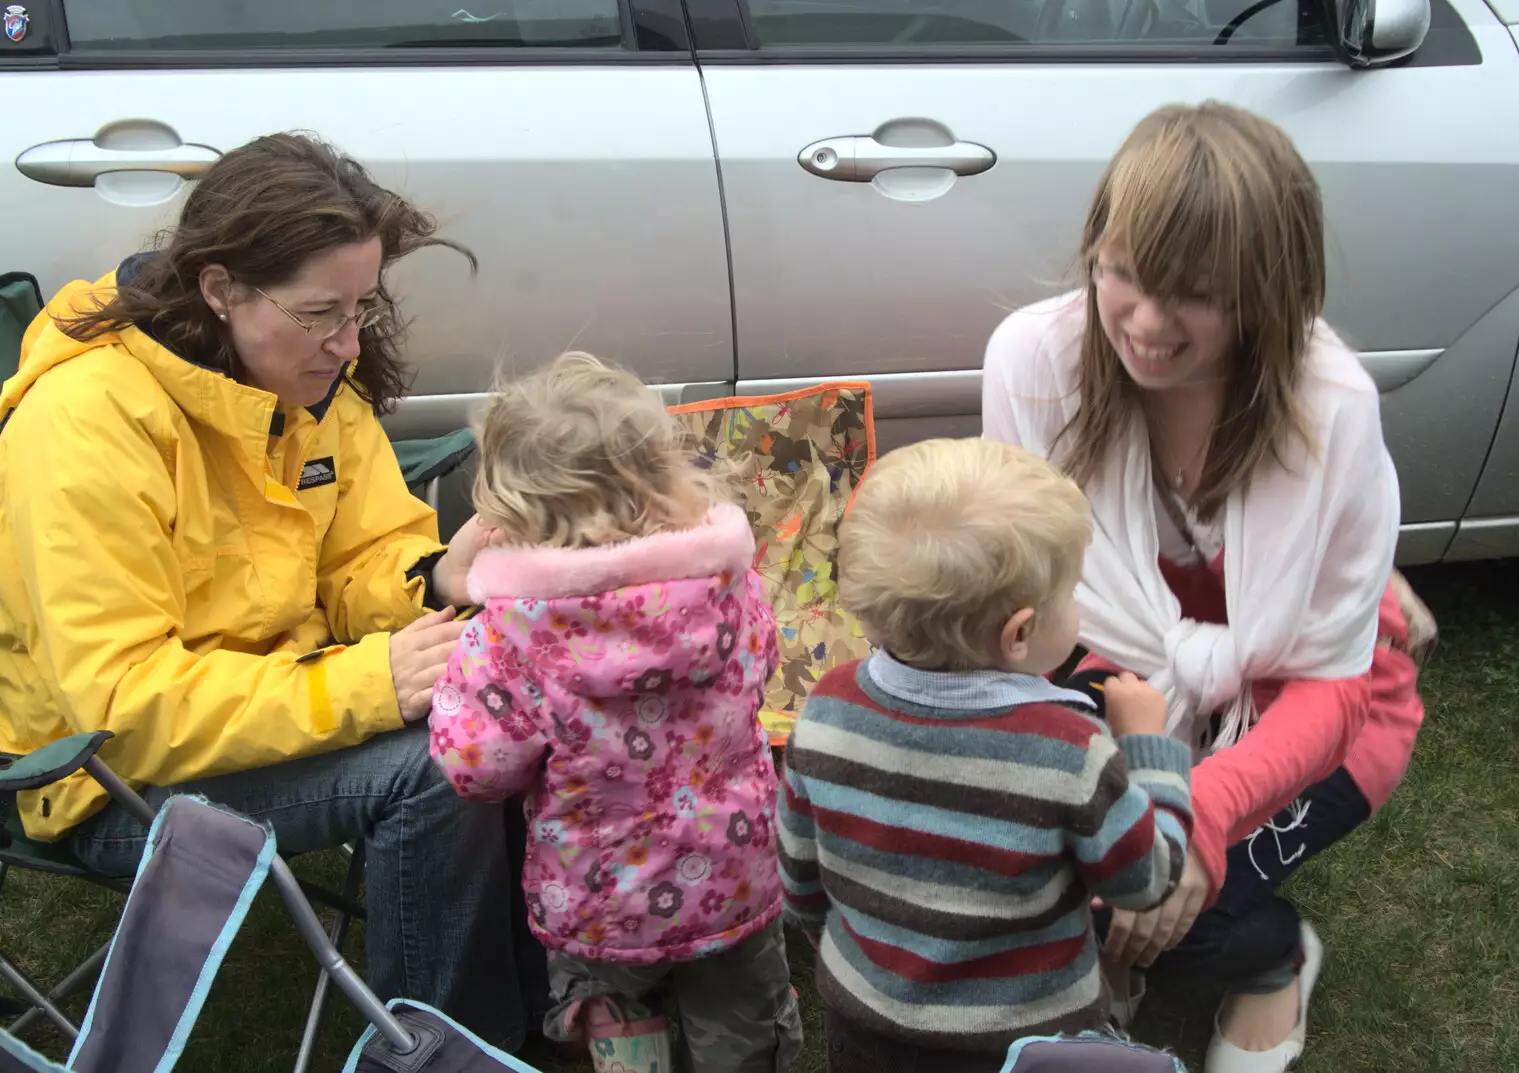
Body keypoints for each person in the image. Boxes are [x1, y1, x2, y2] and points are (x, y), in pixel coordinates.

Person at [0, 134, 526, 1048]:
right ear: (219, 289)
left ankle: (525, 1007)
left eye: (361, 306)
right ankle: (447, 1052)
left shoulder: (305, 378)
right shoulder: (87, 421)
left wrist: (437, 575)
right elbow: (126, 705)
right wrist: (369, 686)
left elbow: (362, 551)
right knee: (439, 762)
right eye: (322, 311)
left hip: (277, 694)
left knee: (518, 686)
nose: (350, 341)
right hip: (109, 778)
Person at [983, 102, 1427, 1073]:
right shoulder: (1033, 361)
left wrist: (1197, 814)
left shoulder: (1332, 409)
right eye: (1121, 272)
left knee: (1164, 903)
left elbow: (1335, 684)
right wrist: (1131, 775)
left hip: (1311, 716)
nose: (1143, 323)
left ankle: (1274, 955)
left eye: (1192, 295)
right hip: (1107, 680)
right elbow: (1031, 598)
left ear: (1268, 294)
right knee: (1067, 881)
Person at [427, 352, 802, 1073]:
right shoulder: (731, 588)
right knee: (743, 1027)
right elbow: (763, 671)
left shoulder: (509, 634)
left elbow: (478, 767)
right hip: (733, 875)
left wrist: (451, 683)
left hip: (599, 898)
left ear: (509, 511)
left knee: (619, 1027)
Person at [777, 437, 1196, 1073]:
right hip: (1026, 1042)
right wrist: (1150, 749)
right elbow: (1144, 882)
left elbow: (800, 873)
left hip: (865, 1025)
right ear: (1020, 632)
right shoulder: (1067, 749)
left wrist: (832, 941)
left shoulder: (827, 710)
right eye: (1071, 594)